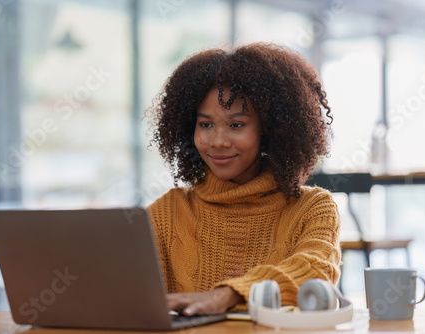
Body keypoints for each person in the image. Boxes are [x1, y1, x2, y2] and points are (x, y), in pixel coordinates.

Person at [146, 42, 340, 316]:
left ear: (270, 129)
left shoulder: (313, 208)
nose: (218, 141)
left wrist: (228, 295)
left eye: (236, 125)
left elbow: (316, 272)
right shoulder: (167, 213)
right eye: (205, 125)